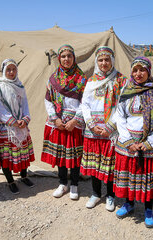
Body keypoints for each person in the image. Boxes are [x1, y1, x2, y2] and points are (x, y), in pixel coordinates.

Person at [110, 56, 153, 228]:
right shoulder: (126, 91)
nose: (138, 74)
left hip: (151, 143)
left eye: (142, 70)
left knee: (147, 177)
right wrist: (128, 140)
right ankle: (129, 204)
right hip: (128, 140)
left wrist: (149, 142)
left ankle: (148, 210)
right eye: (135, 70)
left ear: (149, 72)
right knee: (130, 174)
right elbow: (120, 117)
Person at [80, 46, 128, 211]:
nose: (104, 63)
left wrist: (110, 126)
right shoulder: (91, 81)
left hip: (111, 131)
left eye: (107, 59)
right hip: (93, 131)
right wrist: (91, 123)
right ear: (96, 62)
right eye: (100, 60)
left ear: (112, 61)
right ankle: (95, 194)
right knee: (94, 164)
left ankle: (110, 195)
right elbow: (85, 104)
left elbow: (122, 105)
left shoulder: (121, 80)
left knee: (109, 166)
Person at [41, 44, 87, 200]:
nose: (66, 59)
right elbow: (48, 100)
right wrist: (55, 119)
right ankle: (62, 183)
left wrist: (75, 120)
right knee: (61, 154)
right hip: (59, 122)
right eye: (63, 56)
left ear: (74, 58)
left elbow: (85, 103)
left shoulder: (81, 79)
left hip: (75, 124)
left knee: (74, 155)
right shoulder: (53, 79)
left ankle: (74, 184)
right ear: (59, 58)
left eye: (69, 56)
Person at [0, 59, 35, 195]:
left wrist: (25, 119)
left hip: (21, 124)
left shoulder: (20, 85)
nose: (11, 72)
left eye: (13, 69)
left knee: (23, 153)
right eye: (8, 69)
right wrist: (12, 121)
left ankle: (24, 176)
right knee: (7, 156)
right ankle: (10, 181)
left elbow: (25, 104)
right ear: (4, 71)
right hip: (6, 127)